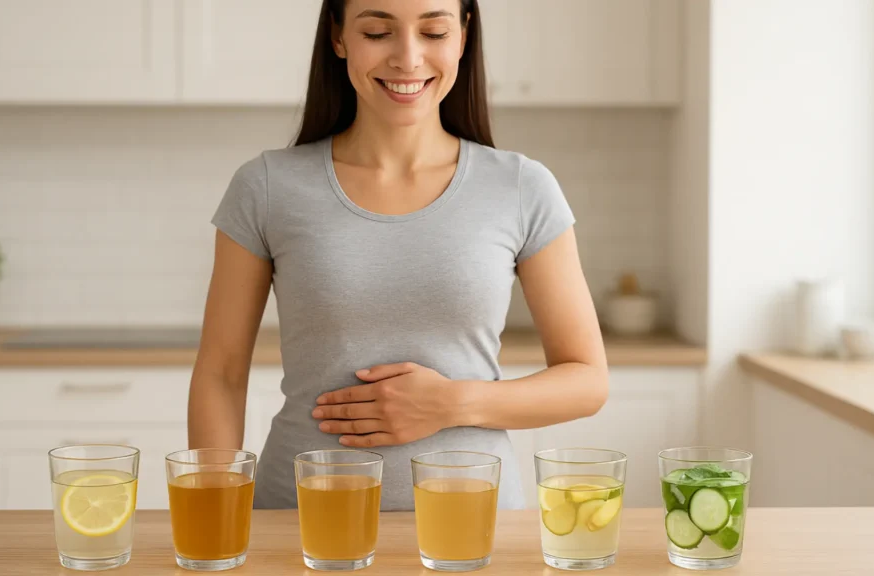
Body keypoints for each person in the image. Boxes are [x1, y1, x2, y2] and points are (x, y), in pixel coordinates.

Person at [188, 0, 608, 511]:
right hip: (300, 521)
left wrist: (449, 403)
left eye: (433, 32)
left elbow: (587, 379)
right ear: (339, 38)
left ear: (463, 37)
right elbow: (221, 373)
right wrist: (214, 514)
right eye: (378, 32)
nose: (408, 59)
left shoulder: (521, 187)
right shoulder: (267, 186)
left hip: (474, 525)